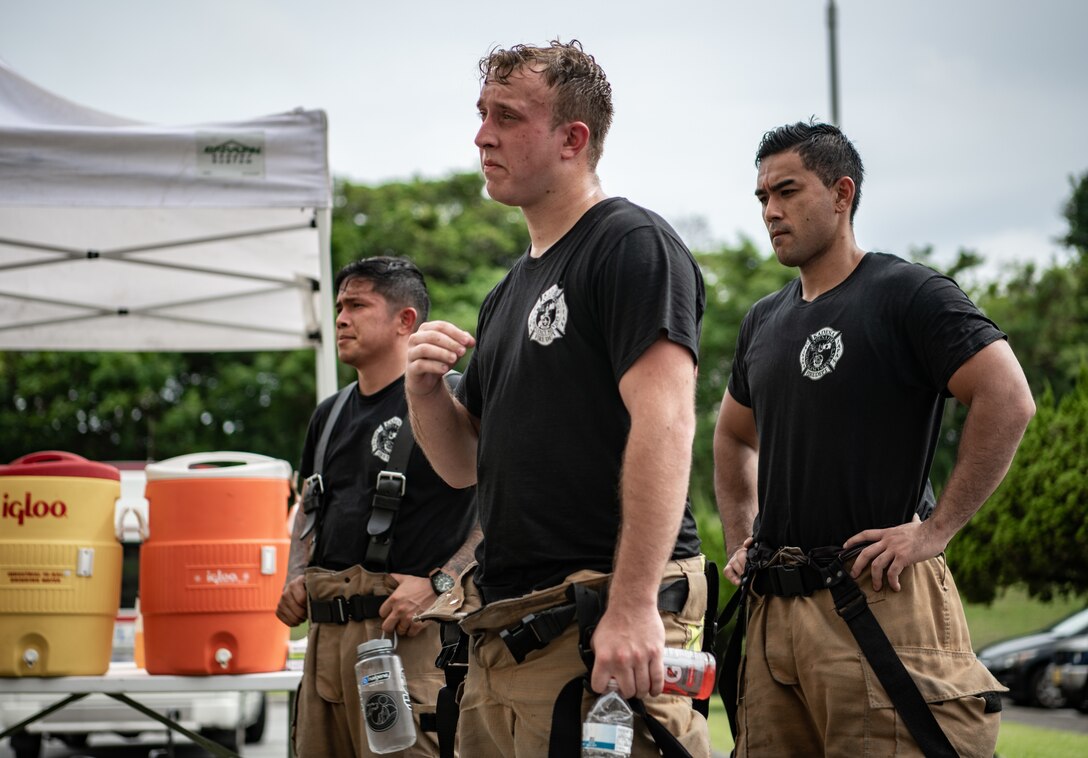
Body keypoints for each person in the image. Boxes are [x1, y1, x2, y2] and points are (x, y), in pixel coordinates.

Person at [404, 40, 711, 757]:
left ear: (573, 139)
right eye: (482, 114)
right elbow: (464, 464)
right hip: (506, 633)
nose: (482, 134)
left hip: (601, 625)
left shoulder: (631, 245)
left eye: (507, 117)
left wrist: (635, 607)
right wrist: (424, 392)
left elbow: (667, 424)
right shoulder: (506, 293)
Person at [713, 120, 1036, 756]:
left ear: (842, 193)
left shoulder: (905, 293)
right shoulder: (764, 320)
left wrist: (933, 531)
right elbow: (732, 437)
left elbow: (1007, 397)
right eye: (762, 199)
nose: (771, 212)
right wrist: (740, 537)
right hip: (772, 616)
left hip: (875, 598)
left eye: (787, 191)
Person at [276, 256, 480, 758]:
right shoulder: (329, 413)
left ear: (405, 321)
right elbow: (309, 504)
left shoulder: (451, 400)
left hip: (405, 640)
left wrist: (442, 584)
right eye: (339, 305)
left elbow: (504, 510)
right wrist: (294, 575)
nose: (341, 318)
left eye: (358, 305)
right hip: (326, 644)